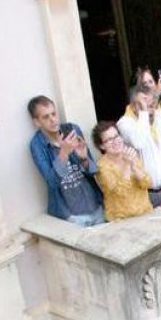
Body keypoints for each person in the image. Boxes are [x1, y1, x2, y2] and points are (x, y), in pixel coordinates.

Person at [27, 95, 104, 226]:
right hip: (71, 216)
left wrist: (84, 158)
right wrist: (64, 152)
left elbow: (93, 171)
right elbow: (52, 182)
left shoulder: (72, 129)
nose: (53, 119)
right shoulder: (37, 144)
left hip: (95, 205)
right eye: (46, 117)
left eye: (53, 114)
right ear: (37, 122)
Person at [91, 121, 153, 221]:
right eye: (109, 140)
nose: (115, 141)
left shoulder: (130, 154)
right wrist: (127, 165)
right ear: (102, 146)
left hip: (144, 212)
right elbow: (120, 192)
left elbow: (148, 183)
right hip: (121, 220)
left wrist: (134, 166)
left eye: (116, 136)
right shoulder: (101, 166)